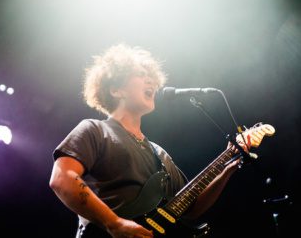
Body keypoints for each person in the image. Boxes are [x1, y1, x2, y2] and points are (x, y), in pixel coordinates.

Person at [49, 44, 241, 238]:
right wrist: (114, 223)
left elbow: (190, 208)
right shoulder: (95, 130)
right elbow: (62, 178)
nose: (151, 81)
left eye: (152, 78)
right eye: (141, 74)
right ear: (116, 90)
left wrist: (227, 168)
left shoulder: (160, 154)